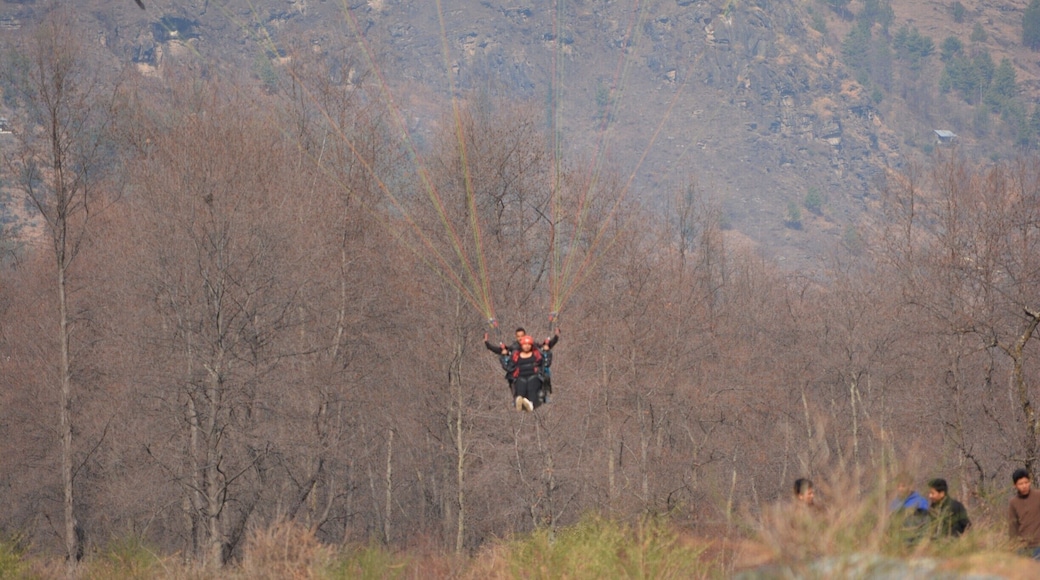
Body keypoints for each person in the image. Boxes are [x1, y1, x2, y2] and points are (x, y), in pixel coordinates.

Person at [503, 335, 551, 412]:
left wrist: (547, 352)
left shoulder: (537, 354)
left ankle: (530, 403)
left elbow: (546, 363)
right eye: (525, 344)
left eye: (529, 344)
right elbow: (508, 367)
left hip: (534, 375)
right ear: (521, 345)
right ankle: (520, 401)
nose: (527, 346)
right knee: (521, 384)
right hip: (520, 376)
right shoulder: (515, 355)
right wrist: (503, 356)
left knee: (531, 383)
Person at [1009, 468, 1040, 559]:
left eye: (1026, 482)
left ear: (1030, 482)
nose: (1024, 486)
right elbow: (1013, 525)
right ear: (1015, 485)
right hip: (1022, 545)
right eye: (1021, 484)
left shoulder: (1038, 496)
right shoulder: (1013, 502)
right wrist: (1012, 545)